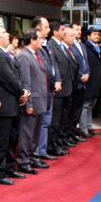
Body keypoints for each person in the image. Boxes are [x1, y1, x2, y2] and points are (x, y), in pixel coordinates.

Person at [0, 25, 27, 185]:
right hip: (4, 105)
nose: (8, 35)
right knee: (1, 140)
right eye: (4, 33)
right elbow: (8, 78)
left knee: (10, 139)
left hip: (11, 103)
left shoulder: (4, 52)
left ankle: (9, 167)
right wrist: (21, 92)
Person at [16, 29, 49, 173]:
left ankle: (31, 157)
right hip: (32, 102)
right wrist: (28, 103)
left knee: (35, 134)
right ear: (32, 40)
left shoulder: (36, 55)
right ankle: (23, 161)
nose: (42, 41)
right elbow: (25, 82)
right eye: (40, 38)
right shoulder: (24, 56)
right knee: (27, 134)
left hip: (40, 101)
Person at [32, 16, 62, 160]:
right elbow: (42, 69)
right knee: (40, 123)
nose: (49, 30)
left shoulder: (46, 45)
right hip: (41, 91)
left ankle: (42, 150)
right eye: (46, 27)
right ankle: (37, 152)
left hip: (50, 89)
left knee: (46, 122)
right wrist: (52, 83)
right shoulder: (36, 46)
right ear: (38, 28)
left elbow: (53, 65)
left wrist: (58, 80)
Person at [48, 22, 77, 154]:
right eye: (62, 30)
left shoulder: (61, 46)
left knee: (62, 119)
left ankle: (59, 141)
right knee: (55, 119)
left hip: (67, 88)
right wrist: (56, 81)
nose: (64, 32)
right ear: (55, 32)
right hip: (59, 89)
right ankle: (52, 145)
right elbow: (53, 66)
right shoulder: (51, 45)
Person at [81, 28, 101, 138]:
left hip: (96, 81)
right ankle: (83, 129)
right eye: (94, 34)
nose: (97, 36)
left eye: (98, 34)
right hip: (88, 81)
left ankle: (89, 127)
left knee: (91, 106)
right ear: (88, 36)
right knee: (85, 106)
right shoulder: (85, 47)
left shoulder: (98, 47)